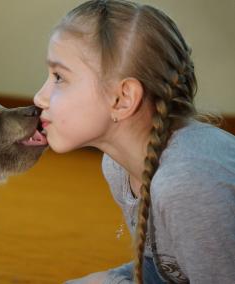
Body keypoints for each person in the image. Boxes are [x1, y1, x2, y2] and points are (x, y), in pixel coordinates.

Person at [33, 0, 235, 283]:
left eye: (59, 77)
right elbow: (169, 270)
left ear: (123, 98)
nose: (39, 97)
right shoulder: (117, 167)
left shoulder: (187, 185)